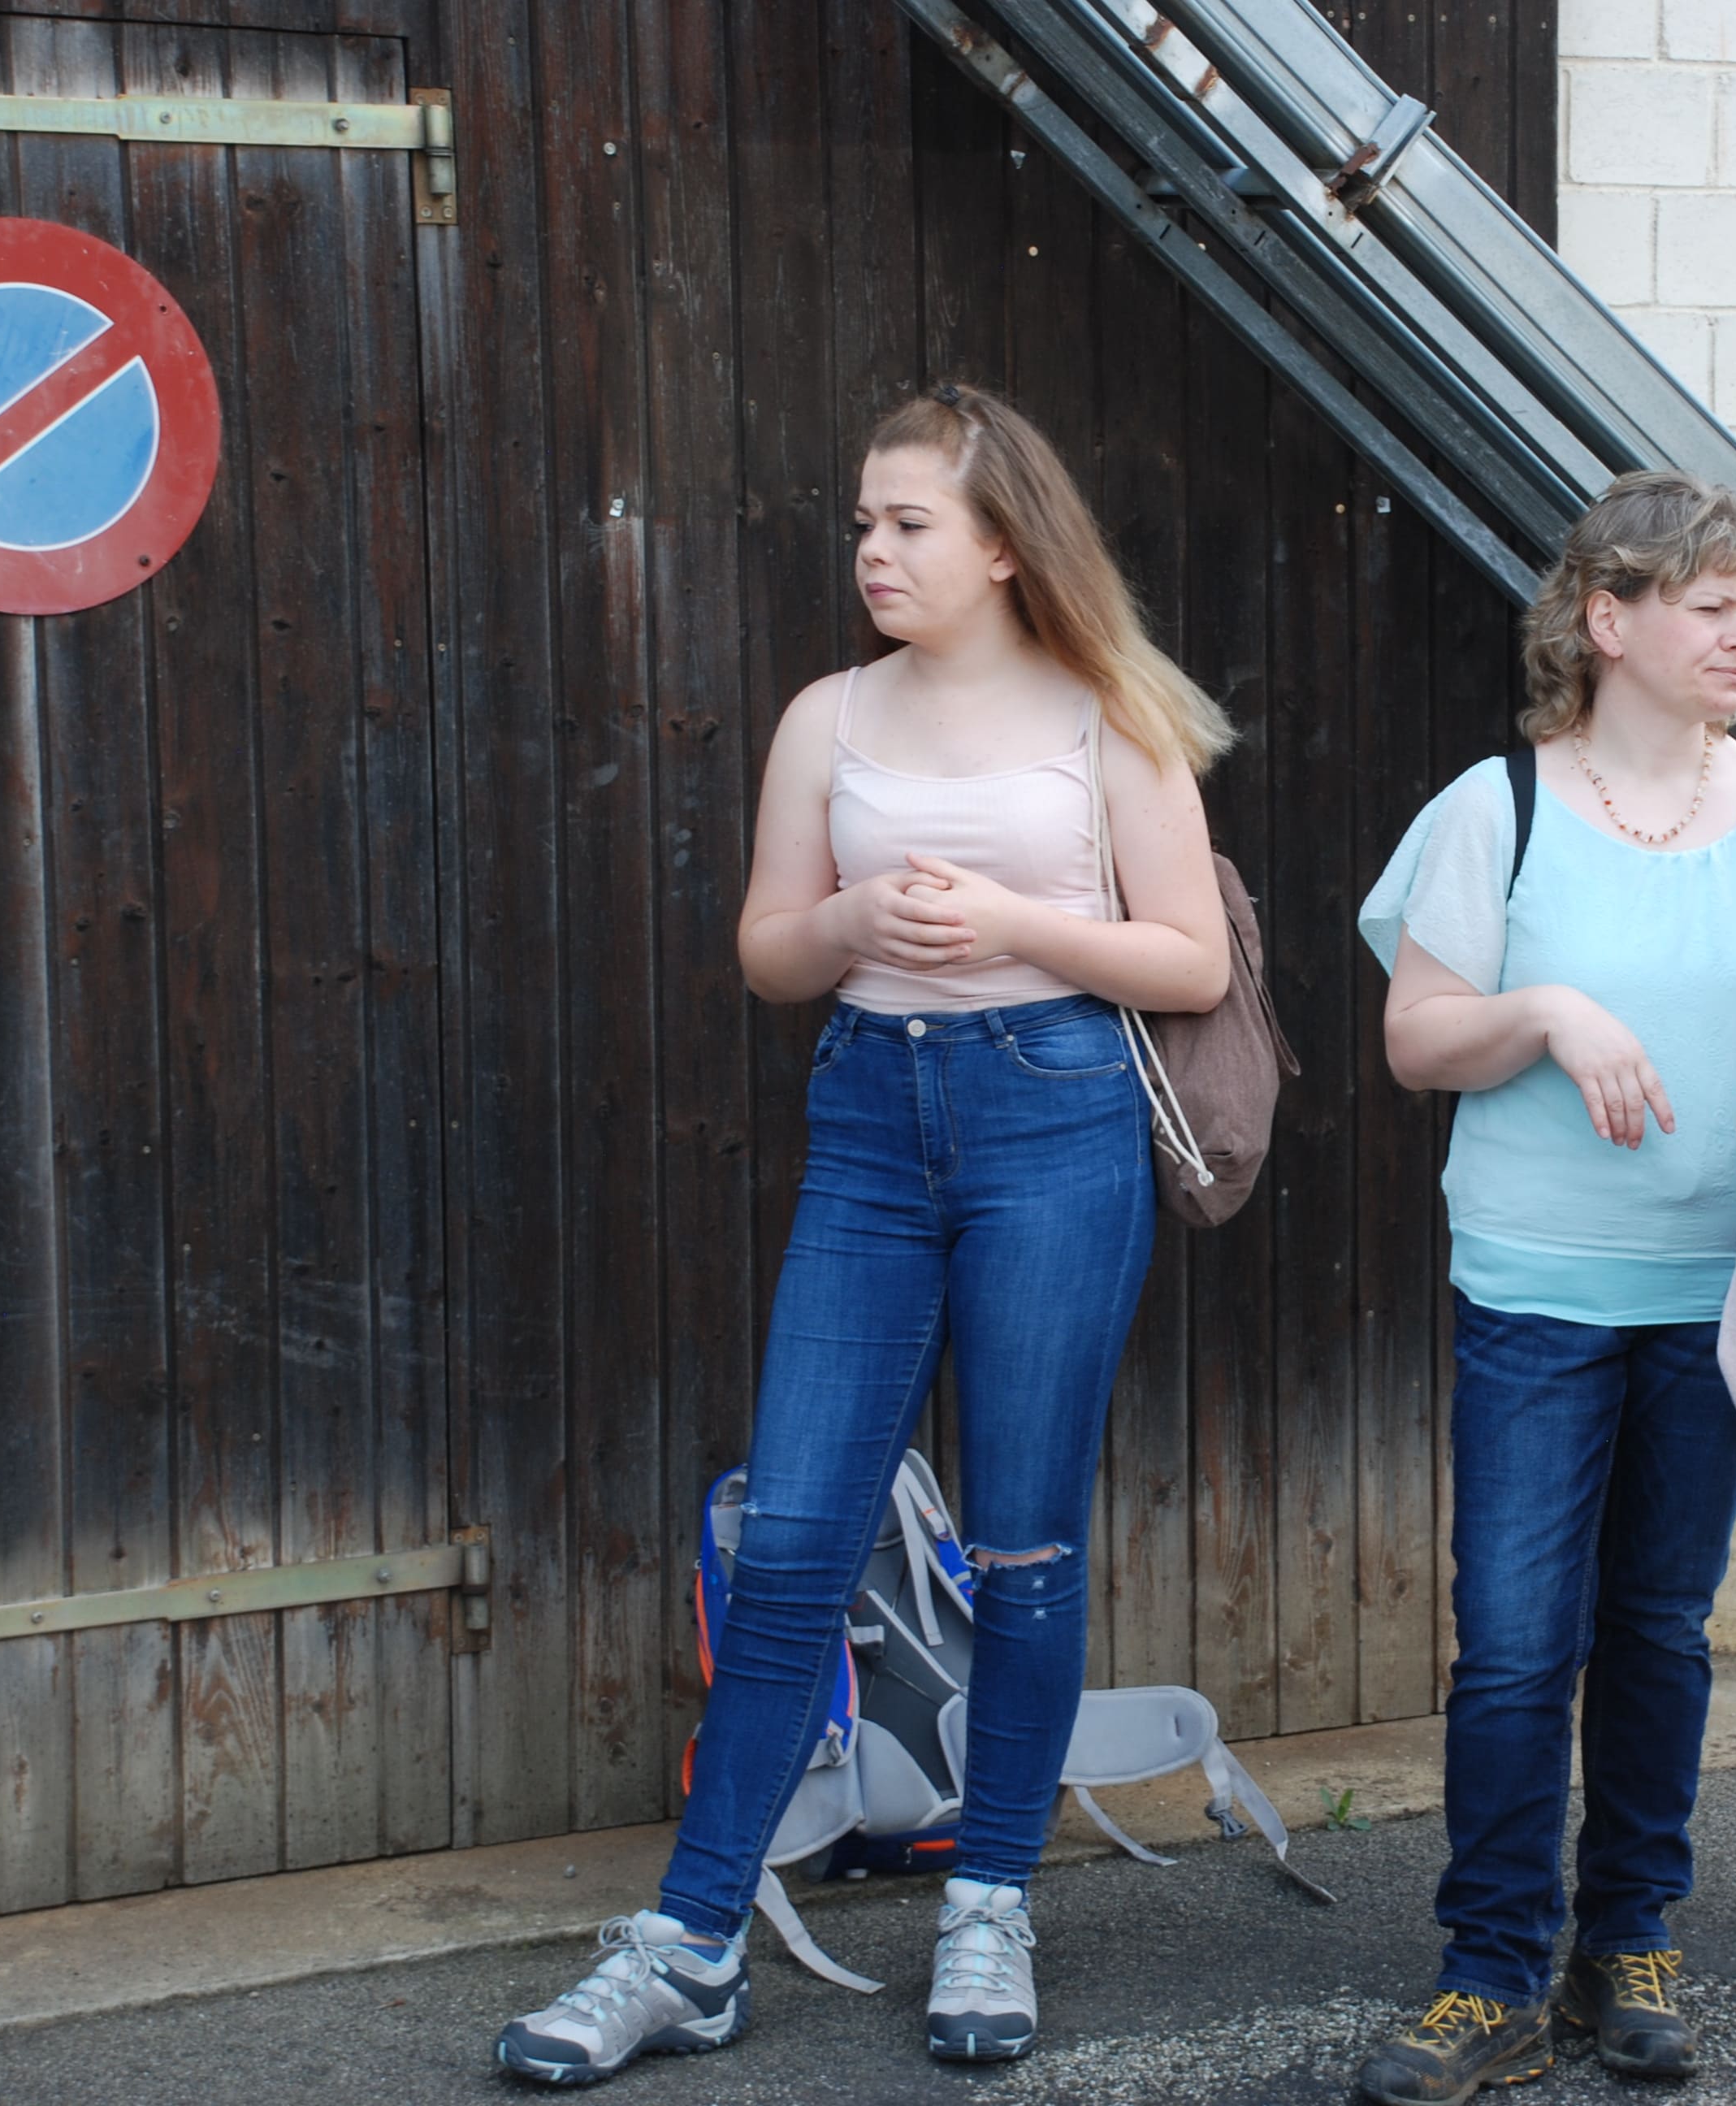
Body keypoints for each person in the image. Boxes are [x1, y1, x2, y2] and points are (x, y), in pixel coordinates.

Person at [493, 384, 1234, 2083]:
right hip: (871, 1120)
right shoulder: (828, 716)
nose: (873, 552)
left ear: (1004, 544)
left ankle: (990, 1901)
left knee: (1024, 1547)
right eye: (863, 523)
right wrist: (852, 917)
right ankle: (691, 1946)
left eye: (908, 523)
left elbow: (1190, 960)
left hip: (1056, 1118)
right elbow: (772, 953)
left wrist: (1012, 921)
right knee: (796, 1541)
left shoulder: (1108, 716)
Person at [1346, 472, 1736, 2104]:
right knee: (1517, 1645)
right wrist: (1548, 1012)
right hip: (1538, 1293)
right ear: (1609, 620)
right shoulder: (1493, 809)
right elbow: (1416, 1038)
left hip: (1719, 1291)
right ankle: (1490, 1973)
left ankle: (1628, 1938)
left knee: (1658, 1629)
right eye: (1714, 608)